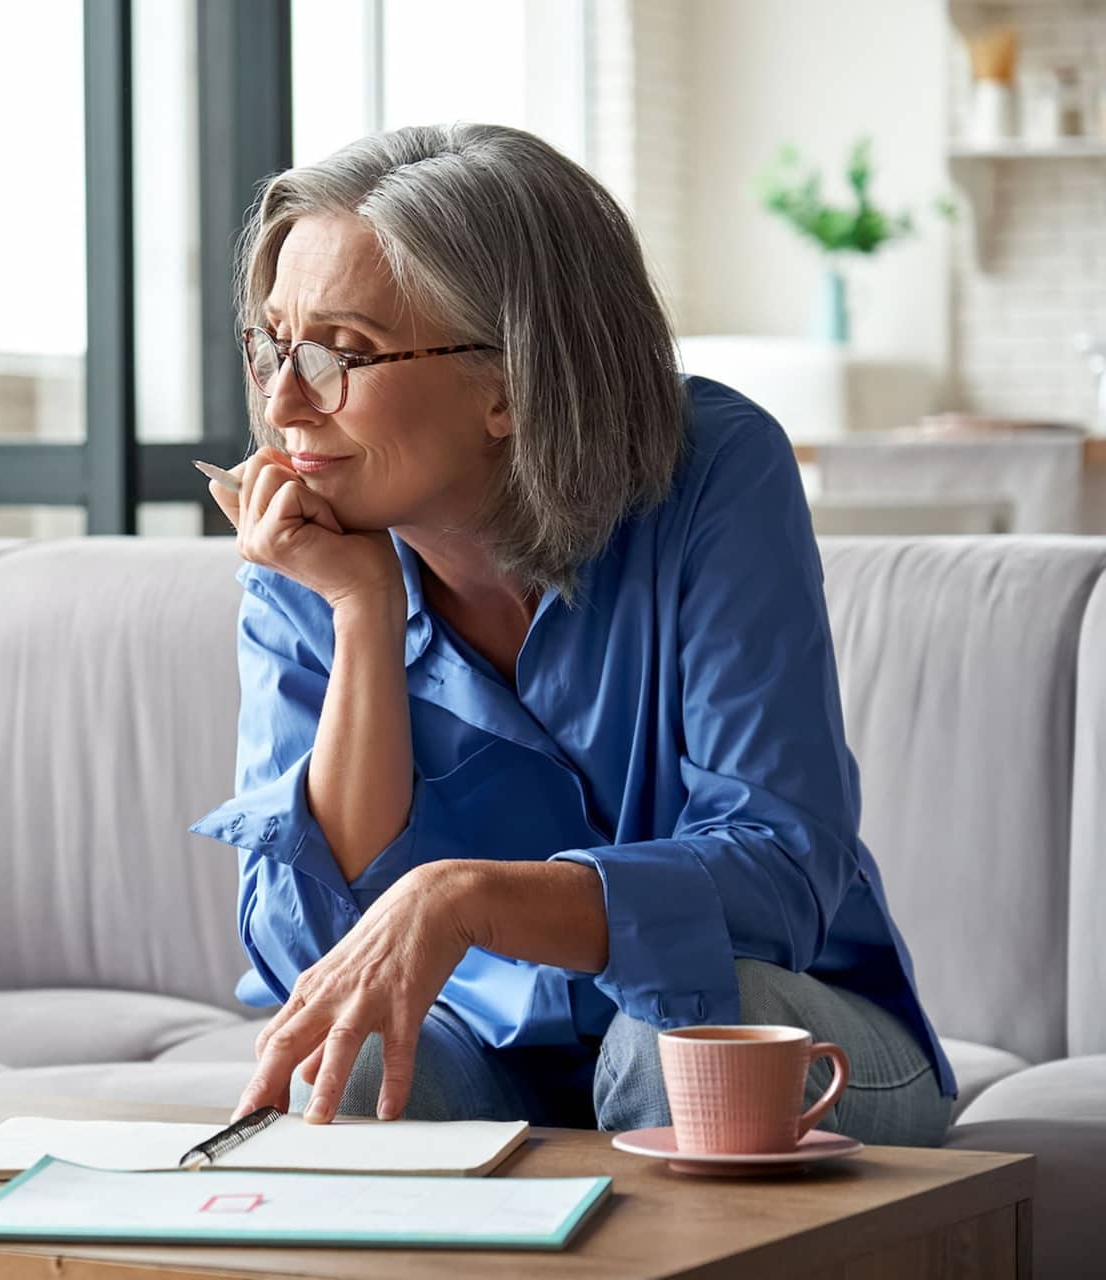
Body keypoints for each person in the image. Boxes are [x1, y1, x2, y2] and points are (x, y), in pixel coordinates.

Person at [187, 123, 953, 1145]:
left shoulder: (714, 473)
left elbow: (779, 871)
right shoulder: (309, 544)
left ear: (507, 381)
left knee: (671, 1038)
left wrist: (466, 899)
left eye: (341, 353)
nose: (283, 402)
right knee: (351, 1062)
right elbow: (309, 957)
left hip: (784, 1024)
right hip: (485, 1049)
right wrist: (361, 615)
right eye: (270, 344)